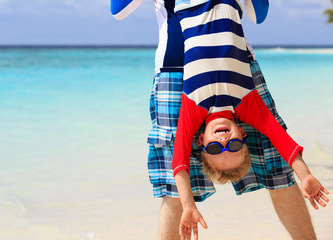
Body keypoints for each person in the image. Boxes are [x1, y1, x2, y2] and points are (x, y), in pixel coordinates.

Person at [110, 1, 327, 240]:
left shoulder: (195, 106)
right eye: (233, 146)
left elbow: (258, 13)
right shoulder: (246, 101)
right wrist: (306, 174)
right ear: (241, 135)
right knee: (175, 194)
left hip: (196, 69)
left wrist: (190, 205)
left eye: (215, 147)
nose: (224, 140)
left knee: (278, 174)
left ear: (202, 140)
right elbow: (118, 10)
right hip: (181, 68)